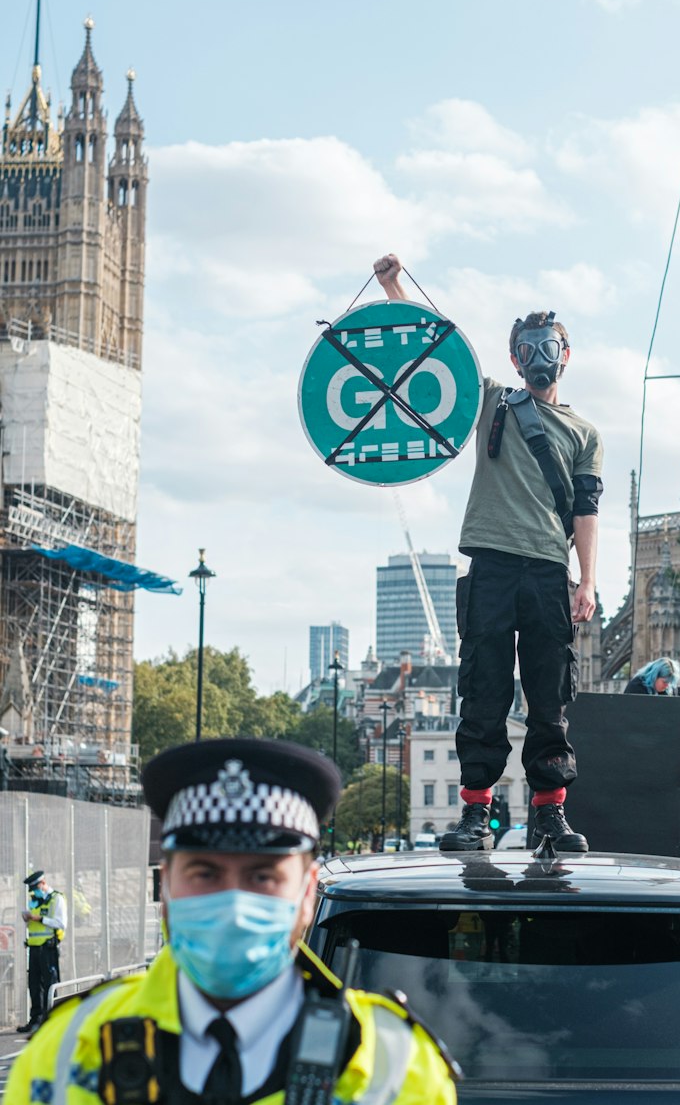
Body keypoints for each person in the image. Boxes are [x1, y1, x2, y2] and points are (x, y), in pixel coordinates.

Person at [6, 738, 458, 1104]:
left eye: (262, 875)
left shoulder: (400, 1066)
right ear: (165, 889)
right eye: (205, 873)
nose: (233, 903)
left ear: (306, 893)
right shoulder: (65, 1050)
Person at [374, 254, 603, 854]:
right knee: (483, 693)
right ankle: (476, 815)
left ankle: (550, 815)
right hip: (493, 567)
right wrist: (394, 286)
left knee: (550, 698)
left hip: (550, 572)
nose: (538, 357)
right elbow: (439, 353)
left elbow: (586, 508)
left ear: (564, 354)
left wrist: (588, 580)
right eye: (528, 348)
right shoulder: (494, 402)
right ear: (515, 357)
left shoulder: (584, 433)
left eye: (547, 346)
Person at [16, 870, 66, 1034]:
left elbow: (61, 923)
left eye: (36, 887)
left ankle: (52, 1018)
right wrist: (28, 918)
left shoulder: (56, 899)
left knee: (50, 983)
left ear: (43, 883)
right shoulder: (34, 901)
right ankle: (36, 1019)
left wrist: (41, 919)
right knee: (34, 985)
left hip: (48, 948)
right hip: (34, 948)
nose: (34, 891)